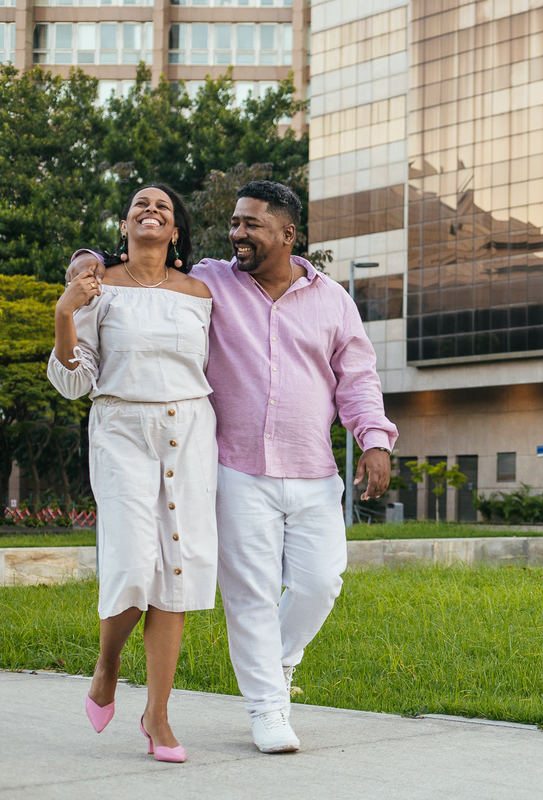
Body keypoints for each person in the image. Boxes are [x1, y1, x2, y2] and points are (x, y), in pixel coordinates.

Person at [70, 180, 397, 754]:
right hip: (235, 467)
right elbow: (141, 269)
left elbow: (358, 376)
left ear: (287, 235)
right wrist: (87, 260)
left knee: (322, 582)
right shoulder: (214, 280)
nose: (237, 233)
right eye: (234, 223)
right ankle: (268, 709)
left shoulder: (331, 300)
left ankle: (279, 661)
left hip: (313, 468)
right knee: (249, 595)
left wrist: (373, 439)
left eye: (250, 225)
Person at [51, 184, 215, 764]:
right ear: (123, 226)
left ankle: (159, 715)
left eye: (163, 208)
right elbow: (75, 379)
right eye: (140, 206)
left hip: (190, 434)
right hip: (121, 429)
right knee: (131, 564)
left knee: (175, 571)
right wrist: (65, 311)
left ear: (176, 233)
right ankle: (107, 662)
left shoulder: (201, 292)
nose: (151, 212)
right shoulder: (97, 289)